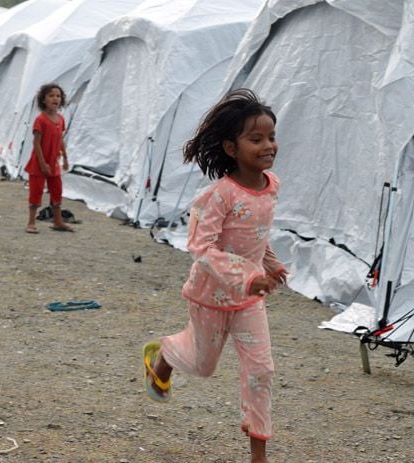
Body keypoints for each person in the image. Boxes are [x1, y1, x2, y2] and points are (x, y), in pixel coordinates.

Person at [142, 88, 286, 463]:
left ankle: (259, 455)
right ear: (230, 148)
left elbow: (257, 233)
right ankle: (167, 353)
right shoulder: (218, 196)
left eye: (271, 137)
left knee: (262, 370)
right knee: (203, 366)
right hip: (210, 295)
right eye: (256, 139)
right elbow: (201, 247)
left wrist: (270, 264)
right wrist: (246, 276)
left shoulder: (272, 187)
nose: (268, 145)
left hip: (249, 299)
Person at [24, 83, 72, 233]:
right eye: (51, 96)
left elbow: (60, 139)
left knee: (57, 191)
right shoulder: (41, 120)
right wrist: (42, 163)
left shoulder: (61, 119)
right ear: (44, 100)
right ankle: (31, 222)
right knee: (36, 192)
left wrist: (64, 158)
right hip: (39, 163)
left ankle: (58, 221)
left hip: (53, 162)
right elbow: (36, 143)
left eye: (58, 96)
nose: (55, 99)